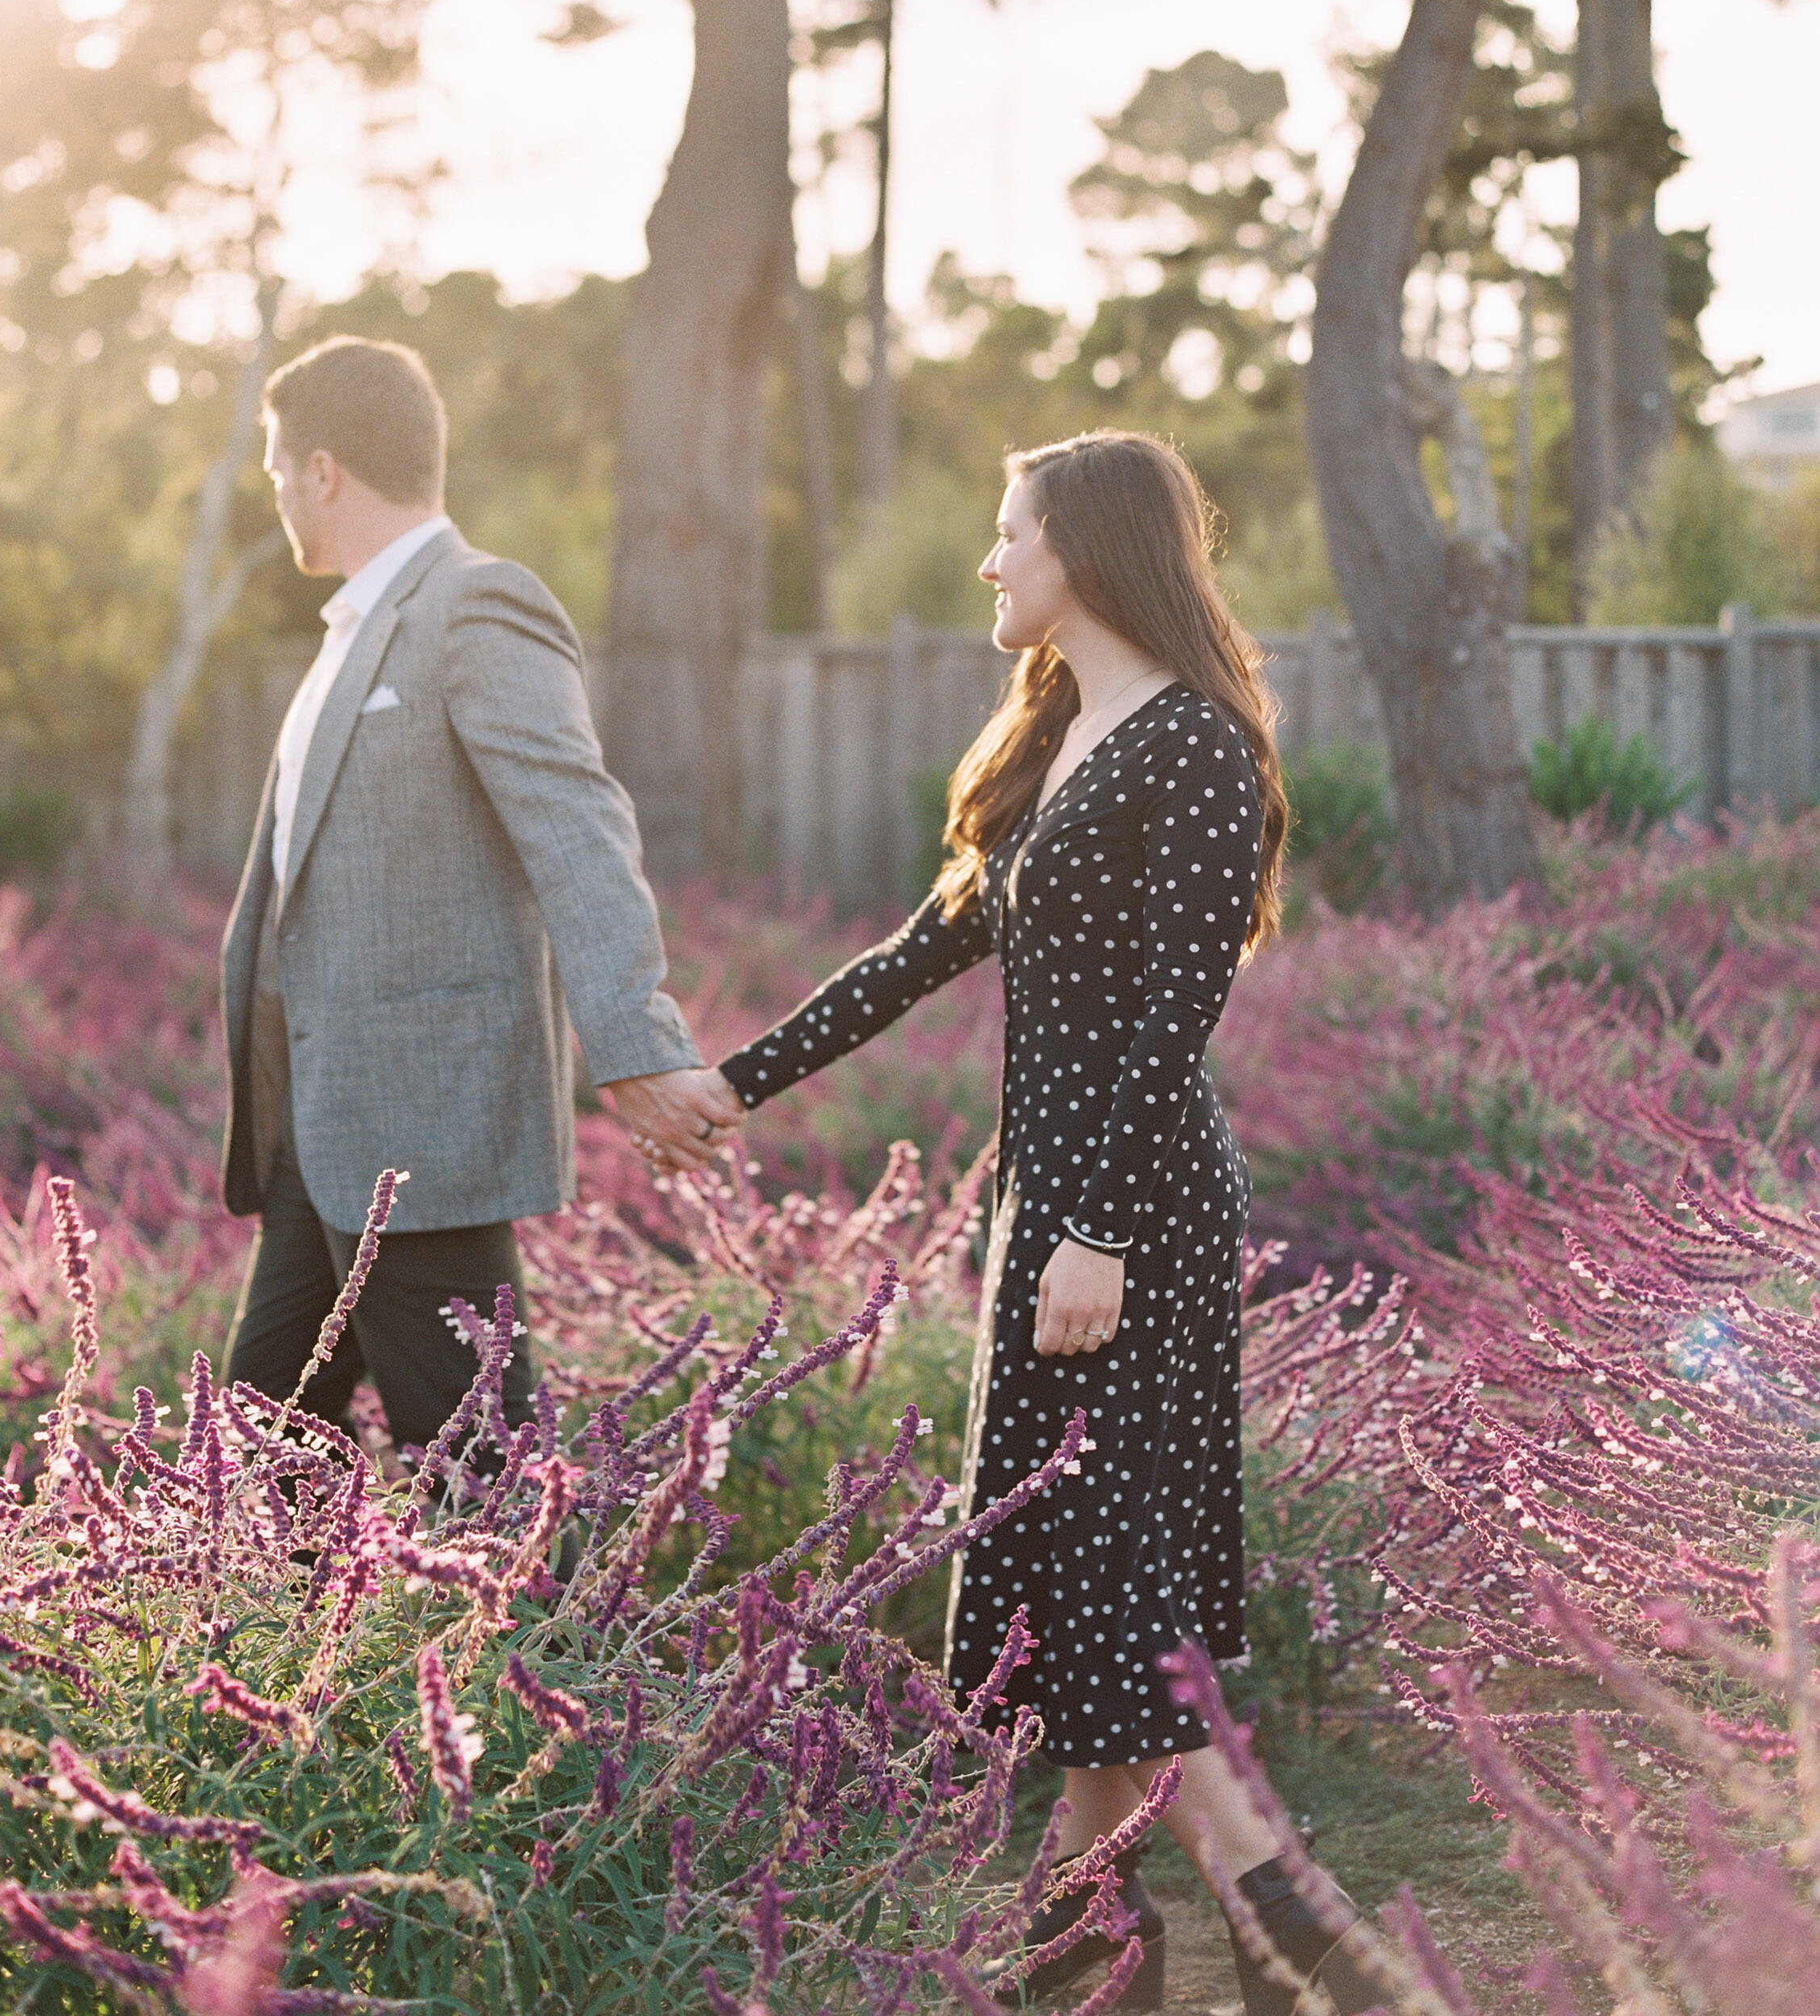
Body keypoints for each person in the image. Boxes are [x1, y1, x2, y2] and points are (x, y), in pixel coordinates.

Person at [703, 432, 1379, 2016]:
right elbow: (907, 957)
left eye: (1007, 532)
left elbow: (1170, 1019)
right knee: (1071, 1604)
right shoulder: (1054, 738)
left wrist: (1096, 1235)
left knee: (1113, 1599)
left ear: (1083, 546)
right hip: (1043, 1217)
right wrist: (726, 1082)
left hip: (1125, 1219)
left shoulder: (1196, 750)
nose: (987, 560)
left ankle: (1306, 1947)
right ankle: (1082, 1971)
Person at [218, 335, 742, 1469]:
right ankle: (295, 1640)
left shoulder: (476, 605)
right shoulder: (346, 636)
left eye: (274, 469)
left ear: (323, 470)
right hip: (318, 1131)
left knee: (488, 1481)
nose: (274, 493)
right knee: (256, 1452)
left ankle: (550, 1649)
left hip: (420, 1128)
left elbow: (577, 828)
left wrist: (637, 1043)